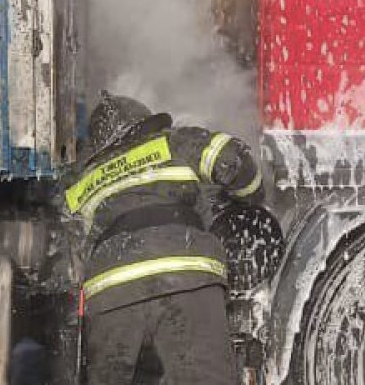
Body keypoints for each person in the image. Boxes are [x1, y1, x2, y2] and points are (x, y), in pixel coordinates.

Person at [65, 92, 264, 385]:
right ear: (146, 125)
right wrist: (253, 196)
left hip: (111, 294)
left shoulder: (82, 182)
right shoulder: (175, 143)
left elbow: (68, 252)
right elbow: (233, 160)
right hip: (185, 276)